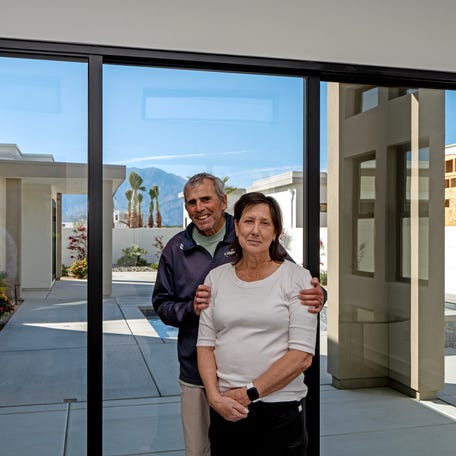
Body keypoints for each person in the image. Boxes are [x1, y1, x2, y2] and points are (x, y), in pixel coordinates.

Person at [152, 173, 325, 456]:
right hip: (198, 376)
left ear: (223, 203)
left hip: (270, 394)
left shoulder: (251, 233)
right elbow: (161, 304)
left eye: (206, 199)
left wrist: (319, 294)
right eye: (192, 202)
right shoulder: (176, 249)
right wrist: (190, 309)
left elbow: (293, 280)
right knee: (199, 450)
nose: (199, 208)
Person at [196, 192, 318, 456]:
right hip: (226, 411)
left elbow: (302, 357)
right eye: (249, 221)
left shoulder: (298, 278)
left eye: (265, 223)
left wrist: (248, 393)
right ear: (236, 226)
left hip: (279, 412)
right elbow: (205, 345)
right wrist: (215, 398)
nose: (255, 230)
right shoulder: (215, 278)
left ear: (276, 232)